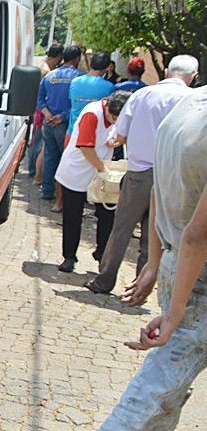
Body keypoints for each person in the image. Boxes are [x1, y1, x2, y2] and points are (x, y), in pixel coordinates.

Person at [37, 85, 207, 431]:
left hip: (179, 264)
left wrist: (154, 261)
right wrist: (172, 313)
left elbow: (152, 191)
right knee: (156, 381)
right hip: (197, 278)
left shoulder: (186, 108)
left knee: (172, 375)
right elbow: (198, 235)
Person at [86, 55, 200, 294]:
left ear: (167, 71)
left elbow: (121, 134)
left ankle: (104, 281)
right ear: (194, 77)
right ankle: (141, 285)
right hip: (171, 177)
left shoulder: (142, 96)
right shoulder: (192, 101)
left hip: (139, 173)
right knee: (154, 235)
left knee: (122, 228)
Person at [54, 90, 131, 273]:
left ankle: (102, 253)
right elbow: (85, 147)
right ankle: (69, 257)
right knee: (72, 216)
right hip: (78, 170)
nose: (116, 122)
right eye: (115, 119)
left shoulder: (119, 114)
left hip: (100, 173)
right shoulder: (92, 113)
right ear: (109, 110)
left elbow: (120, 136)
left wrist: (116, 142)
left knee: (106, 216)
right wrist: (103, 169)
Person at [37, 45, 83, 210]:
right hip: (66, 125)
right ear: (77, 58)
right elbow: (80, 104)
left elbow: (39, 99)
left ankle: (47, 190)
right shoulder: (80, 78)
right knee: (66, 160)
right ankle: (62, 196)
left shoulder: (50, 75)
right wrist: (62, 117)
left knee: (50, 156)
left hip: (48, 122)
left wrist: (48, 114)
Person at [29, 44, 64, 179]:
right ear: (58, 56)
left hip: (38, 108)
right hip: (41, 110)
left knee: (36, 140)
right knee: (39, 142)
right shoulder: (46, 71)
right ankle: (34, 172)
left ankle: (33, 169)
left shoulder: (42, 65)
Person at [67, 51, 116, 135]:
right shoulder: (110, 87)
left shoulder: (75, 82)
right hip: (93, 134)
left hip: (73, 132)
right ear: (107, 67)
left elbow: (71, 102)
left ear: (90, 63)